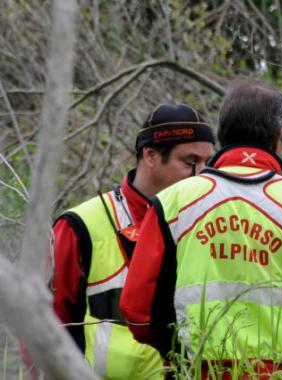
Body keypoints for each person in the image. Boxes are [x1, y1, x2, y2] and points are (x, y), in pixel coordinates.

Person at [120, 80, 282, 379]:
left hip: (195, 372)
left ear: (222, 134)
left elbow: (138, 310)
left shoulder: (172, 202)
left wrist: (178, 354)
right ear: (280, 136)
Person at [50, 104, 215, 379]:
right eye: (190, 162)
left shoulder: (210, 221)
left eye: (208, 162)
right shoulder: (78, 225)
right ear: (150, 155)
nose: (204, 174)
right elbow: (44, 327)